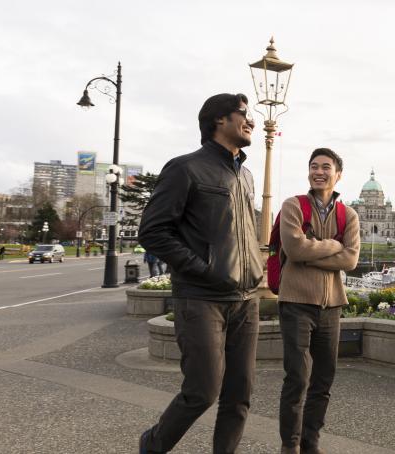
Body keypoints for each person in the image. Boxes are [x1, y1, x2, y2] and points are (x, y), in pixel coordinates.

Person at [137, 93, 263, 454]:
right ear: (218, 121)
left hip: (245, 300)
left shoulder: (247, 175)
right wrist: (203, 270)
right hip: (200, 297)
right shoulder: (185, 168)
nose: (250, 120)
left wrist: (253, 271)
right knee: (202, 392)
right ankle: (152, 444)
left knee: (240, 395)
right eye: (243, 114)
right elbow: (153, 232)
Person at [278, 148, 360, 454]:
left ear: (338, 174)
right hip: (296, 301)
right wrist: (332, 247)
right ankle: (291, 445)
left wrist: (311, 252)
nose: (319, 171)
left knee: (323, 380)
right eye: (314, 166)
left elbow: (350, 259)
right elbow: (295, 250)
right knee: (297, 378)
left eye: (326, 167)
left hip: (332, 305)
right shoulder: (293, 206)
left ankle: (311, 443)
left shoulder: (348, 214)